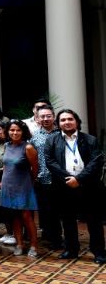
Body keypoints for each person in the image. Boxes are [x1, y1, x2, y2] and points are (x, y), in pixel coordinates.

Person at [45, 110, 105, 264]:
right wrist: (68, 179)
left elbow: (96, 161)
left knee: (94, 220)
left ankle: (99, 252)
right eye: (63, 120)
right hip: (64, 186)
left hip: (88, 185)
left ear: (77, 121)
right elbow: (50, 162)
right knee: (67, 219)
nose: (67, 122)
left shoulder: (90, 140)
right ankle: (71, 250)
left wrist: (79, 179)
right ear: (58, 124)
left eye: (70, 119)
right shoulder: (52, 140)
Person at [0, 120, 39, 258]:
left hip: (23, 185)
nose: (15, 133)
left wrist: (30, 182)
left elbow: (35, 168)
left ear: (23, 132)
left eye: (18, 130)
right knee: (14, 216)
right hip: (8, 185)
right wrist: (2, 181)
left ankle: (34, 245)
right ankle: (19, 244)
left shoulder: (28, 147)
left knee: (26, 216)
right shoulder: (7, 145)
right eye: (12, 130)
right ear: (7, 131)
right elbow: (6, 166)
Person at [29, 105, 61, 249]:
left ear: (53, 117)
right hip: (42, 178)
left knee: (62, 210)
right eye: (42, 116)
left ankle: (64, 239)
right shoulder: (34, 137)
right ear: (37, 118)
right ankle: (53, 238)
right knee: (47, 210)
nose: (45, 119)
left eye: (48, 116)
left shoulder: (61, 134)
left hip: (61, 178)